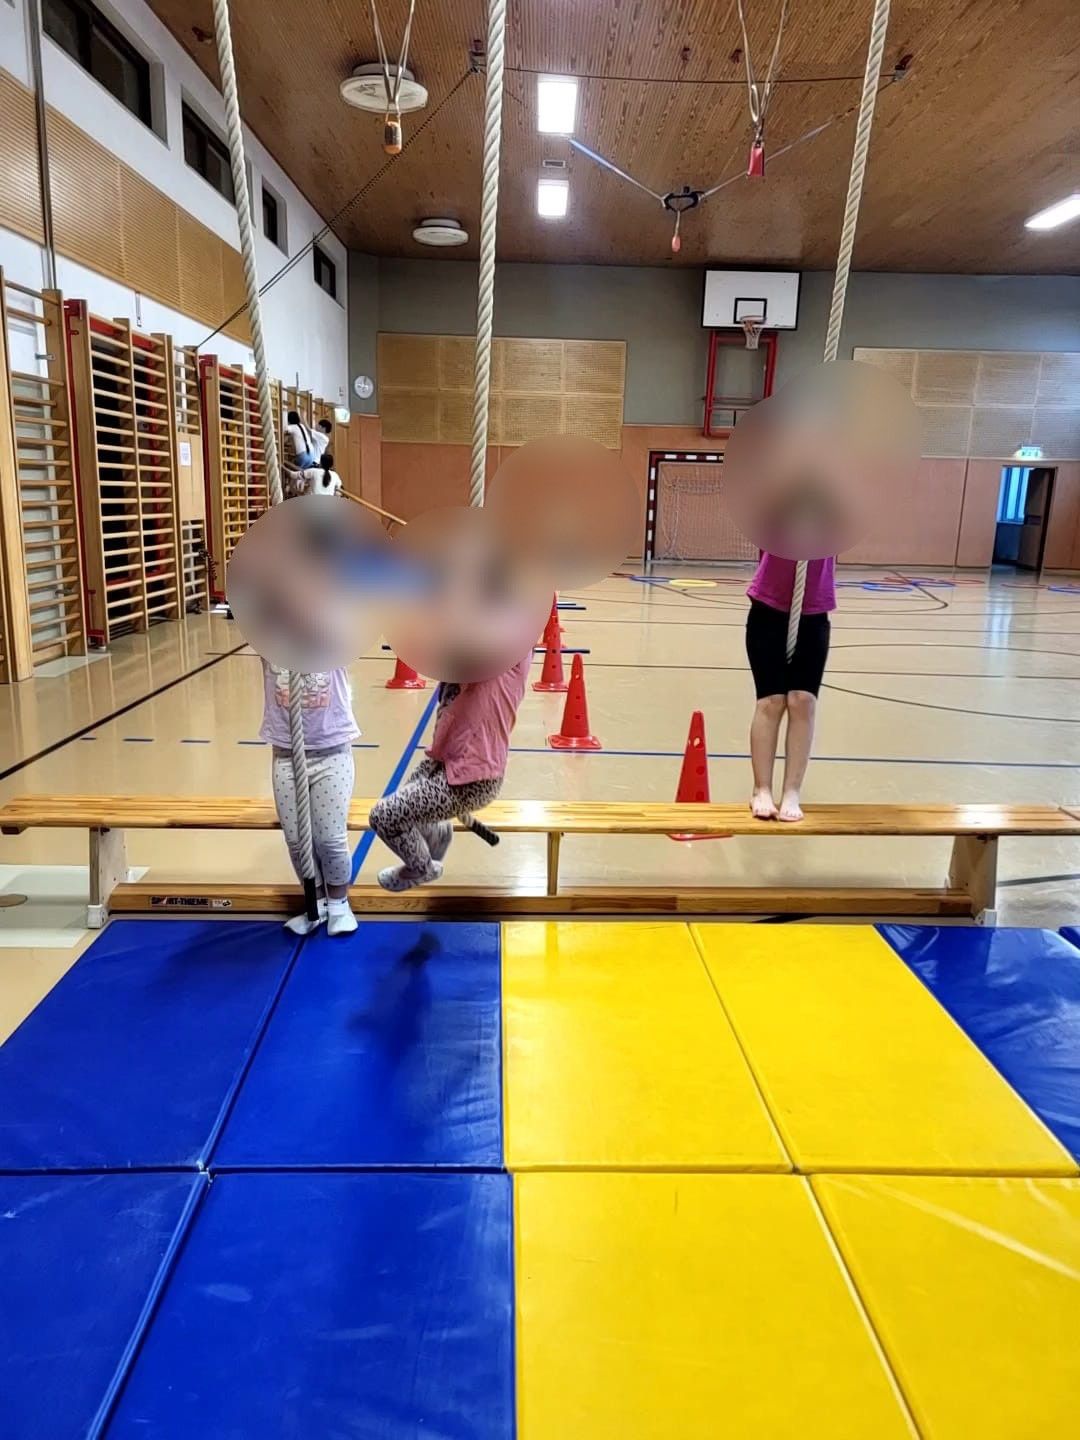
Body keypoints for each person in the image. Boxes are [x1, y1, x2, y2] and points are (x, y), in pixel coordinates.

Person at [369, 651, 531, 891]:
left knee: (384, 816)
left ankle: (422, 868)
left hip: (472, 779)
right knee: (408, 801)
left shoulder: (504, 658)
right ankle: (438, 831)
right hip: (443, 763)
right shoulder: (462, 655)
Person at [261, 661, 359, 935]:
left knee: (330, 838)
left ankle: (339, 904)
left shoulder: (331, 635)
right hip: (286, 755)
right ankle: (315, 904)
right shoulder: (271, 639)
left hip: (332, 751)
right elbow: (249, 621)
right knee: (297, 840)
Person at [745, 551, 835, 822]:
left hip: (814, 610)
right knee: (771, 700)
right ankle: (761, 789)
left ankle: (792, 791)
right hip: (768, 606)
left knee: (802, 700)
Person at [283, 410, 318, 495]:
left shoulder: (292, 427)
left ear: (289, 420)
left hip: (302, 456)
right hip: (311, 455)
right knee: (300, 473)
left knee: (290, 470)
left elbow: (284, 430)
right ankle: (295, 489)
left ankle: (289, 491)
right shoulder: (301, 426)